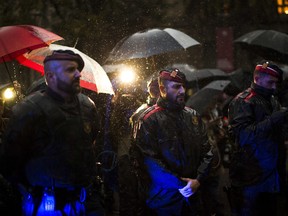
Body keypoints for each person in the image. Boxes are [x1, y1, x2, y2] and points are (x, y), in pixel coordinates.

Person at [0, 50, 105, 216]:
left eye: (78, 69)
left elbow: (90, 140)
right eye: (70, 70)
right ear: (50, 76)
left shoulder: (87, 106)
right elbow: (10, 163)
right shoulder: (29, 109)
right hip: (46, 204)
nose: (78, 74)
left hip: (86, 200)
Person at [132, 68, 213, 216]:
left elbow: (207, 151)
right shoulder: (148, 120)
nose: (182, 90)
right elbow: (150, 163)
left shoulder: (192, 116)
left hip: (194, 197)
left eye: (183, 86)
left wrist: (198, 179)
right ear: (162, 89)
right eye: (176, 87)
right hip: (163, 201)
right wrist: (183, 184)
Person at [228, 60, 288, 216]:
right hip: (250, 179)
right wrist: (273, 119)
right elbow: (243, 136)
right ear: (258, 79)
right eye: (271, 83)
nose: (274, 87)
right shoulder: (243, 101)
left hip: (271, 176)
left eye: (276, 83)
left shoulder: (272, 100)